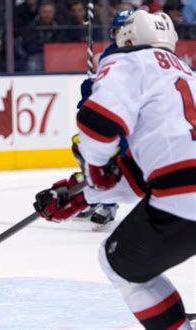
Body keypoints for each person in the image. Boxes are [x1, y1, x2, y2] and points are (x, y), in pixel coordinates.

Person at [34, 10, 196, 329]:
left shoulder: (129, 61)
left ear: (128, 38)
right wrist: (82, 196)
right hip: (182, 186)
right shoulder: (188, 74)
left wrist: (95, 169)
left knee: (119, 264)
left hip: (185, 197)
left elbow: (98, 122)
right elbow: (141, 172)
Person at [75, 9, 134, 231]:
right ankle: (101, 199)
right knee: (87, 149)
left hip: (138, 122)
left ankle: (109, 202)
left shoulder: (146, 54)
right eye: (117, 31)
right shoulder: (110, 53)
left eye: (125, 31)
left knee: (123, 160)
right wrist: (91, 93)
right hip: (117, 118)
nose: (121, 36)